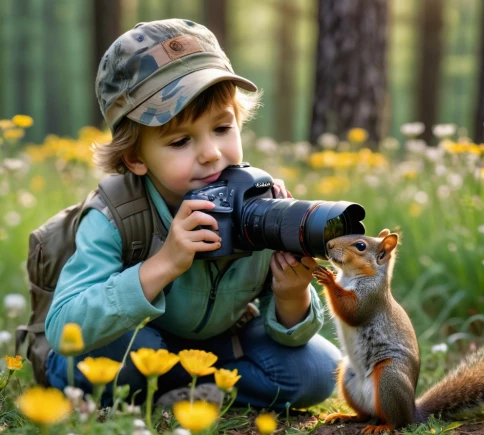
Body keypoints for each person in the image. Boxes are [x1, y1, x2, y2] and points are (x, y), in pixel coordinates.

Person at [45, 18, 340, 408]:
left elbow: (290, 337)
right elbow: (64, 327)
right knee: (108, 355)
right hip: (138, 339)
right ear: (135, 158)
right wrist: (164, 263)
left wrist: (292, 294)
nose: (210, 153)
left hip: (218, 344)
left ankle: (184, 390)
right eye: (181, 140)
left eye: (222, 128)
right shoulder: (116, 215)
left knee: (320, 371)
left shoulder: (259, 200)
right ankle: (177, 385)